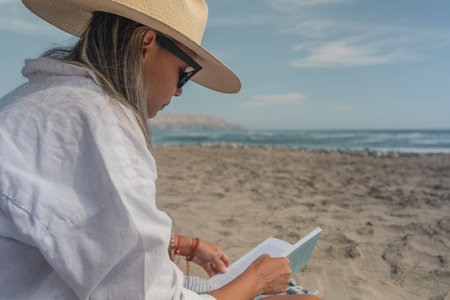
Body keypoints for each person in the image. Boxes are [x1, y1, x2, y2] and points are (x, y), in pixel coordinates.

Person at [0, 0, 322, 299]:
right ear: (146, 44)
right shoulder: (99, 123)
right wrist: (256, 281)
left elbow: (75, 232)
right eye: (184, 74)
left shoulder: (37, 101)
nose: (180, 91)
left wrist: (183, 245)